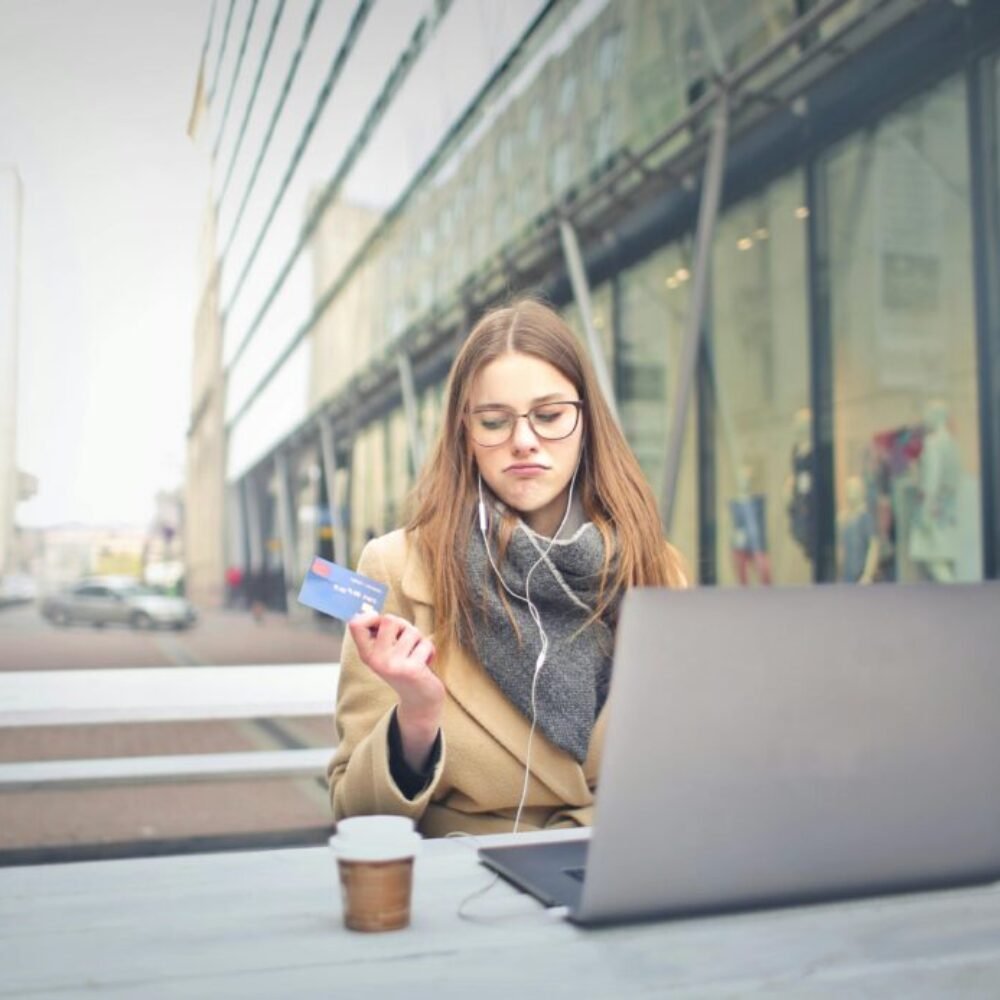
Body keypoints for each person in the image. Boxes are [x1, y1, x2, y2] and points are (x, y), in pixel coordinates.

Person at [327, 298, 686, 838]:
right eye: (494, 421)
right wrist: (417, 719)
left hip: (621, 864)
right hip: (470, 884)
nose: (523, 441)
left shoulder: (655, 567)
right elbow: (354, 810)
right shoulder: (392, 566)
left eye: (549, 416)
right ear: (465, 436)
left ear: (587, 422)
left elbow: (683, 758)